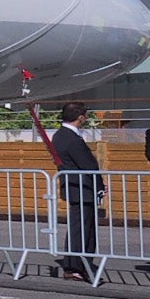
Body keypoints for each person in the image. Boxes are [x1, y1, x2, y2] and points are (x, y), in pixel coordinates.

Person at [51, 102, 104, 281]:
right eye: (85, 115)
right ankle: (77, 266)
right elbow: (88, 164)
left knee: (81, 228)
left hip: (77, 187)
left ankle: (79, 265)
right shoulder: (71, 138)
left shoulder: (61, 135)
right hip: (82, 188)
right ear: (80, 117)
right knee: (82, 229)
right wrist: (100, 186)